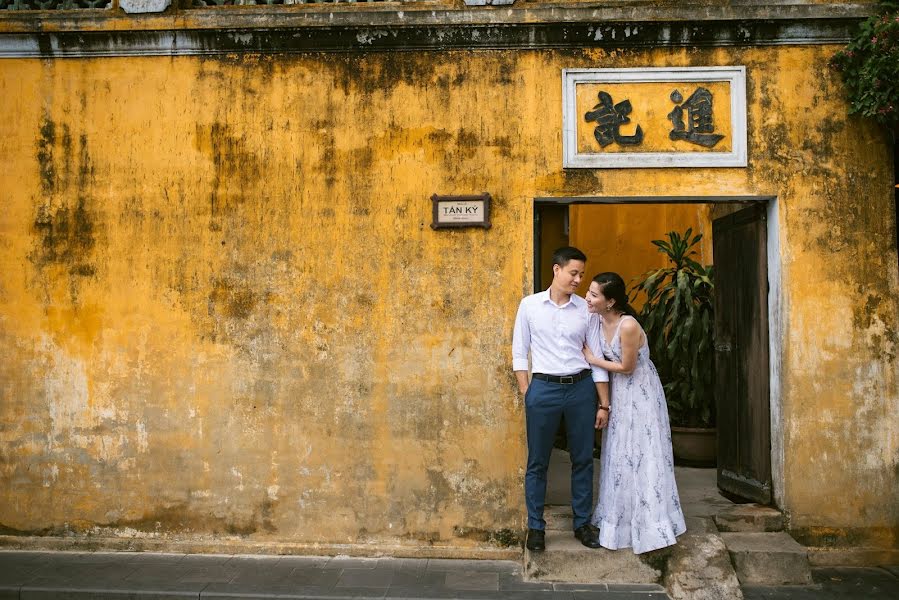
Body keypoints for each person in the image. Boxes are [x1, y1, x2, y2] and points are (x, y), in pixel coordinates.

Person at [512, 247, 611, 552]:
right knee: (538, 461)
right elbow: (519, 352)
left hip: (580, 389)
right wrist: (528, 391)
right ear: (557, 270)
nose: (579, 280)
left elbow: (595, 357)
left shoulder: (586, 310)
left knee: (582, 458)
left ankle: (582, 524)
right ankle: (536, 528)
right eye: (574, 273)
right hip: (542, 389)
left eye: (582, 274)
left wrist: (603, 403)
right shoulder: (529, 306)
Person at [582, 272, 686, 554]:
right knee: (619, 452)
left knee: (643, 451)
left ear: (610, 301)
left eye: (594, 294)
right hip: (619, 392)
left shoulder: (627, 325)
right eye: (589, 292)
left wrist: (594, 359)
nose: (587, 298)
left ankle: (651, 523)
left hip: (639, 391)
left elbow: (628, 368)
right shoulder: (597, 318)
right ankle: (619, 521)